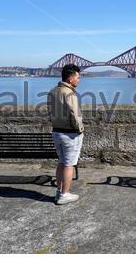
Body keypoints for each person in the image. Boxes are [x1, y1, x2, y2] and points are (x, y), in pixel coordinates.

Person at [47, 64, 84, 205]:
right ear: (70, 79)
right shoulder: (70, 93)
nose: (79, 80)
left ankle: (58, 191)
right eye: (78, 77)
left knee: (61, 162)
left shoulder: (52, 91)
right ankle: (64, 194)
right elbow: (75, 115)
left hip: (56, 131)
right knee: (69, 164)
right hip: (70, 134)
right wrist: (80, 129)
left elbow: (50, 112)